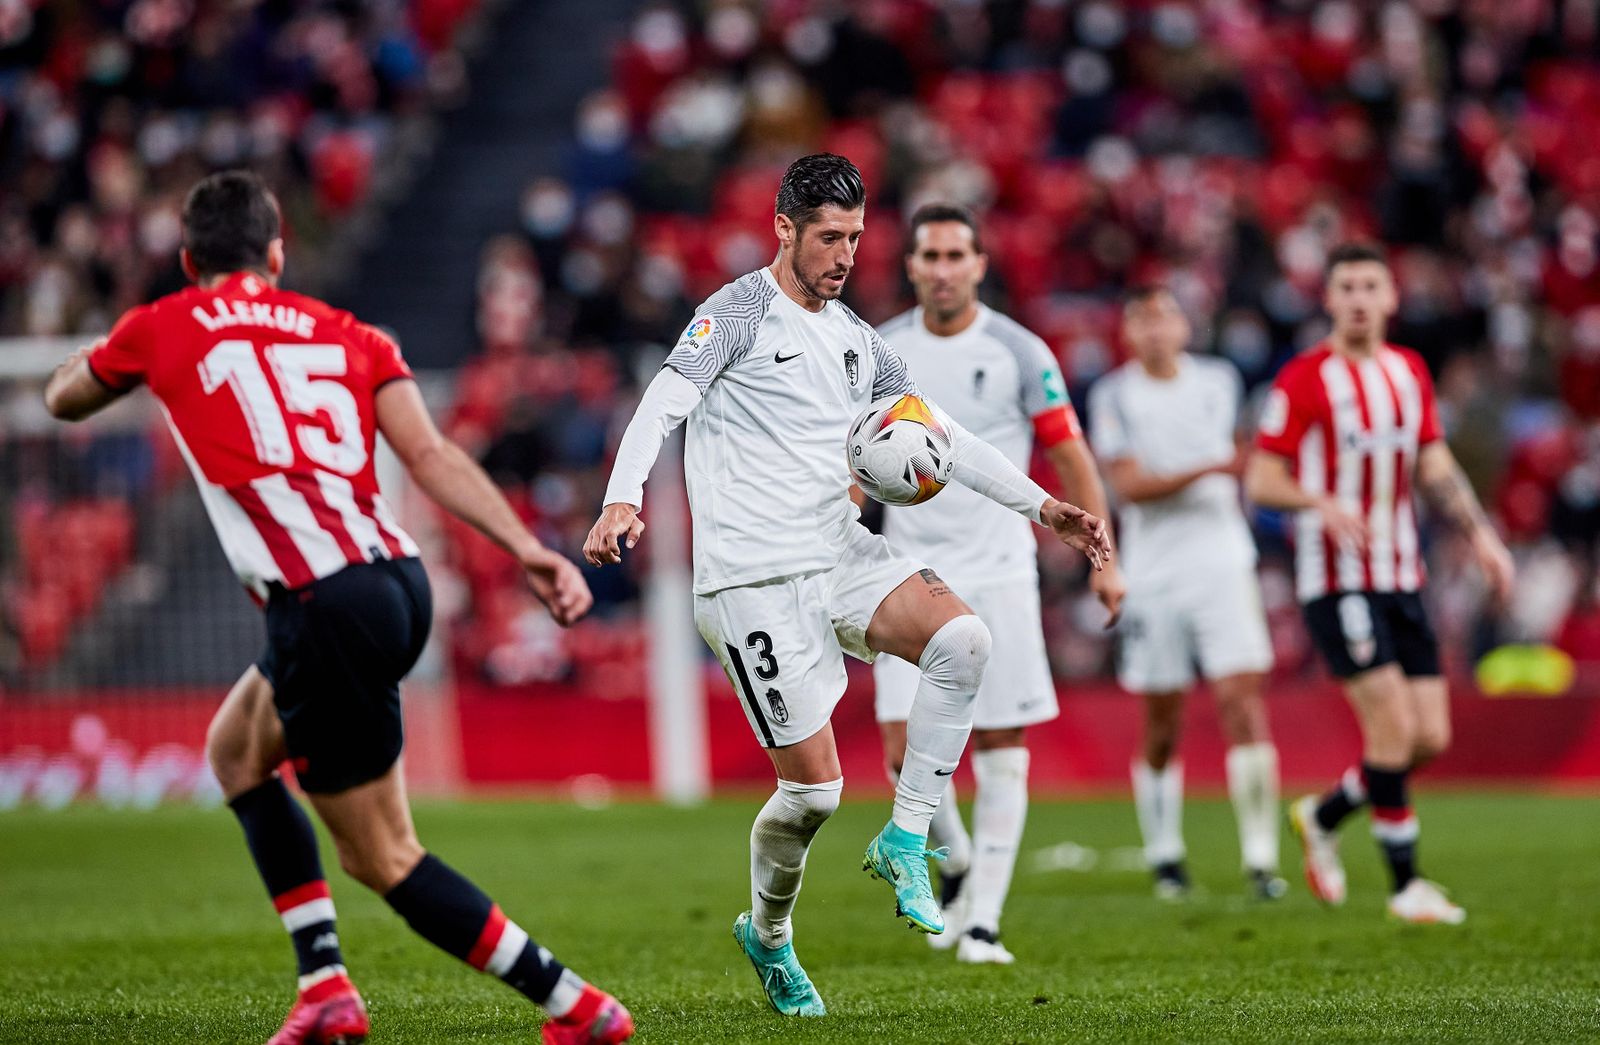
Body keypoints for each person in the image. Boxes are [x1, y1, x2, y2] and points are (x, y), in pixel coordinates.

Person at [43, 170, 634, 1045]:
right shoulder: (348, 332)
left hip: (321, 602)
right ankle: (324, 983)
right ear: (278, 254)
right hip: (394, 579)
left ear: (188, 260)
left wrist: (115, 343)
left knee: (383, 855)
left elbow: (63, 399)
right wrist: (527, 548)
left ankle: (575, 1005)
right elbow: (430, 455)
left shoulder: (164, 324)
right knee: (236, 750)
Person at [582, 154, 1111, 1016]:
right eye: (829, 237)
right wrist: (621, 497)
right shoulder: (737, 312)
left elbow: (940, 431)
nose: (845, 255)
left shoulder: (859, 340)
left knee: (963, 640)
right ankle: (770, 933)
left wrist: (1042, 506)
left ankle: (907, 835)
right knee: (812, 795)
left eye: (856, 238)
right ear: (784, 228)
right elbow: (662, 402)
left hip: (837, 551)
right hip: (749, 578)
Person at [871, 204, 1126, 963]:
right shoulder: (881, 351)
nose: (943, 269)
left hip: (1000, 570)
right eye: (930, 255)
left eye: (957, 255)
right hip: (909, 573)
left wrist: (1107, 560)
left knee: (1000, 741)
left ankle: (983, 919)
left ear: (980, 264)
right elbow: (853, 458)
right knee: (900, 746)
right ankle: (954, 864)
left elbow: (1071, 455)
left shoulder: (1019, 350)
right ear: (911, 266)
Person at [1245, 242, 1515, 924]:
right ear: (1329, 299)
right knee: (1392, 727)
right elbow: (1262, 479)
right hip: (1337, 580)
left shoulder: (1408, 371)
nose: (1359, 299)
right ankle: (1406, 887)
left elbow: (1433, 461)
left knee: (1429, 737)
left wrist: (1481, 535)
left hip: (1402, 573)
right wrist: (1321, 503)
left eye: (1371, 286)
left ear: (1391, 297)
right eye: (1347, 287)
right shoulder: (1303, 379)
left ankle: (1323, 815)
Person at [1088, 285, 1284, 901]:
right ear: (1128, 333)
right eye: (1142, 320)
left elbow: (1249, 453)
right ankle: (1165, 854)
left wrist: (1230, 465)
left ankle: (1261, 858)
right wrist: (1210, 467)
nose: (1155, 330)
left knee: (1241, 698)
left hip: (1223, 559)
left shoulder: (1220, 380)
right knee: (1163, 716)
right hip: (1153, 569)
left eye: (1165, 317)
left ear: (1184, 326)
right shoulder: (1113, 393)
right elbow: (1129, 485)